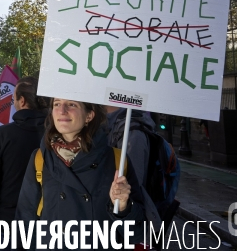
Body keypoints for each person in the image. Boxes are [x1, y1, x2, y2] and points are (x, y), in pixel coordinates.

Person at [16, 98, 145, 250]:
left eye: (72, 104)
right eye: (57, 104)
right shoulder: (39, 158)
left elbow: (136, 232)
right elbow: (25, 219)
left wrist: (124, 207)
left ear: (89, 115)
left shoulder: (117, 160)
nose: (62, 110)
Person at [0, 77, 49, 250]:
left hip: (6, 220)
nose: (13, 103)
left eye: (13, 99)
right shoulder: (56, 136)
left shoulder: (3, 135)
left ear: (22, 100)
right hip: (44, 222)